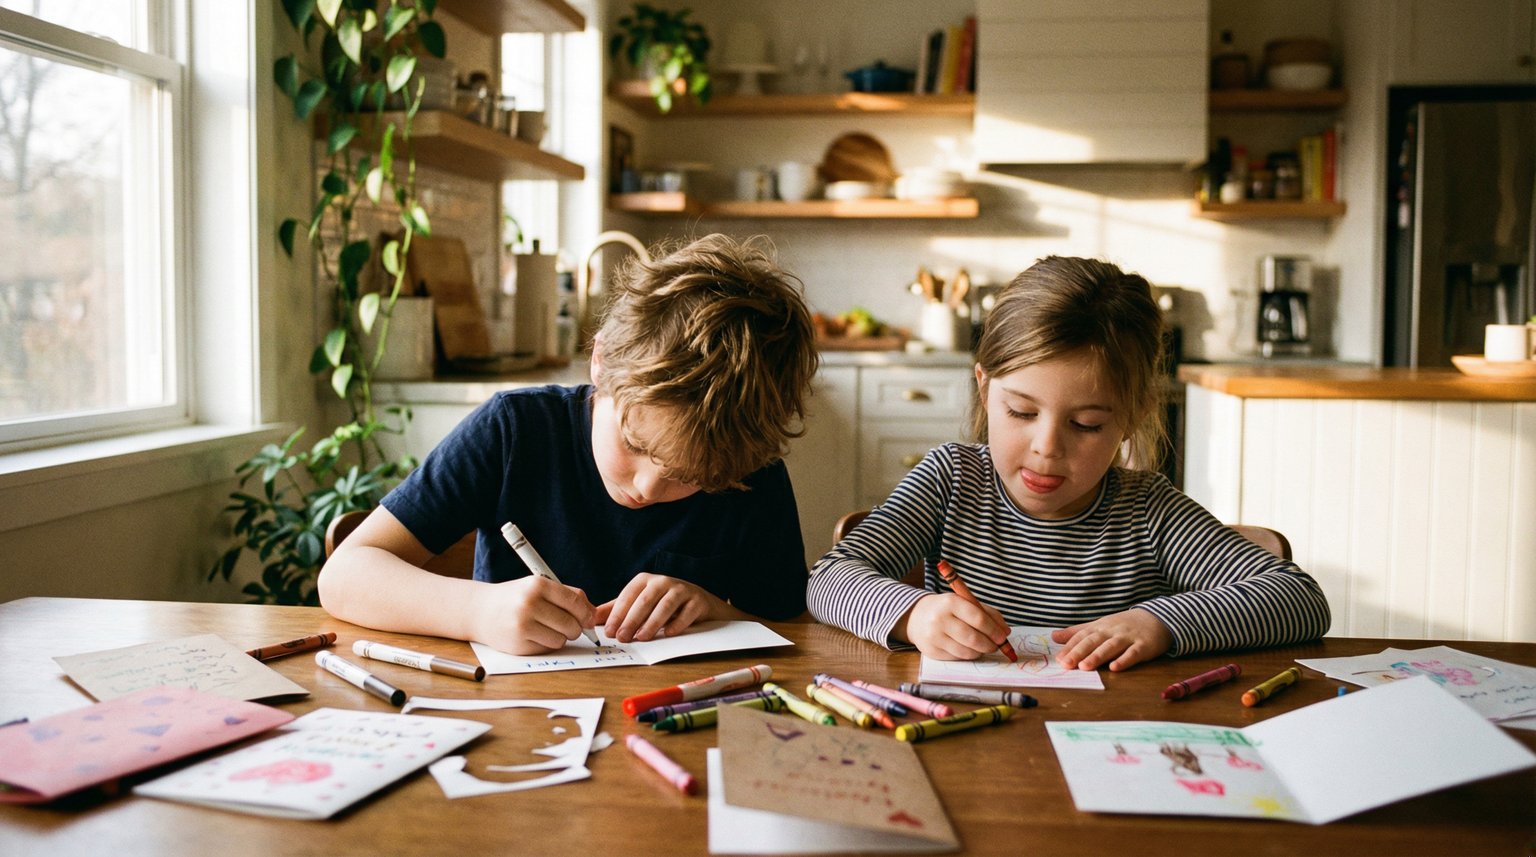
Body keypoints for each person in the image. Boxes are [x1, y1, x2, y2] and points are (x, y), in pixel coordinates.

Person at [807, 256, 1330, 671]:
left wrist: (1160, 623)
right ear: (985, 388)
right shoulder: (951, 480)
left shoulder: (1148, 511)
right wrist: (914, 615)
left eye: (1086, 425)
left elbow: (1299, 598)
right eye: (1021, 411)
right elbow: (828, 579)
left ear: (1132, 416)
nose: (1047, 446)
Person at [321, 234, 819, 655]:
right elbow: (344, 576)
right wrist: (478, 611)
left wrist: (720, 612)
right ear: (600, 361)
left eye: (690, 476)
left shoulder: (749, 467)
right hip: (515, 720)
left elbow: (793, 631)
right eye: (635, 442)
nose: (646, 486)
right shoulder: (515, 431)